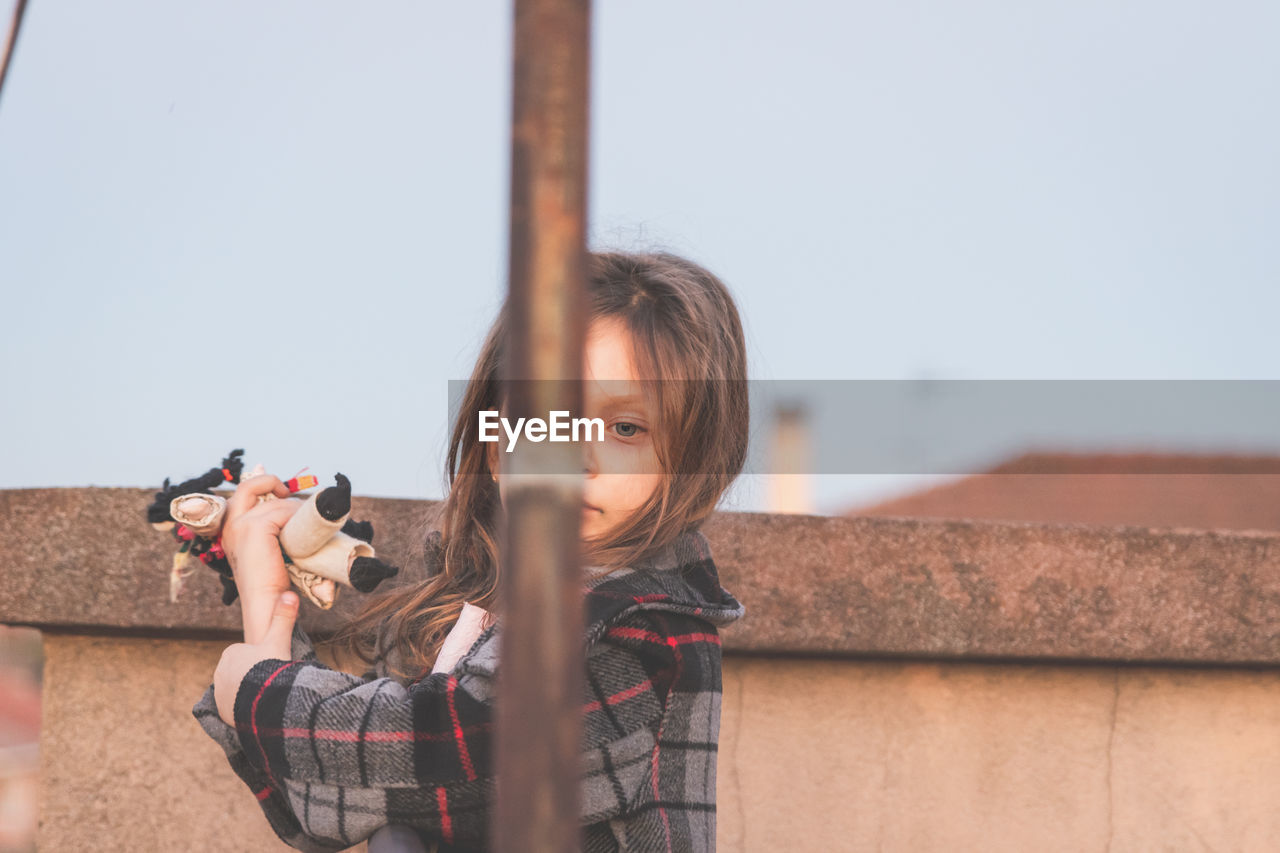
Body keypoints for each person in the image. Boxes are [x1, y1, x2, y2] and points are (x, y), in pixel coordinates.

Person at [193, 250, 750, 852]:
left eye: (626, 429)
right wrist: (268, 603)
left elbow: (406, 755)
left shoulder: (636, 633)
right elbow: (320, 806)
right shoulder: (476, 613)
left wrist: (255, 684)